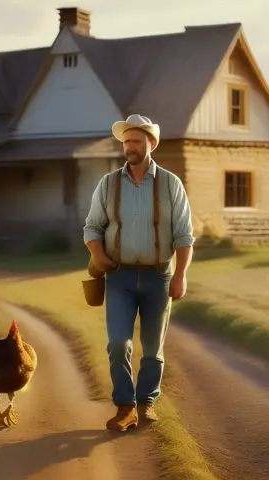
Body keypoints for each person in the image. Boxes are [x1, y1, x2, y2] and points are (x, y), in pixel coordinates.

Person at [83, 114, 195, 432]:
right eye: (126, 142)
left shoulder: (170, 184)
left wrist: (181, 275)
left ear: (151, 144)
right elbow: (92, 227)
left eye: (136, 141)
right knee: (118, 343)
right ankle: (124, 407)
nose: (129, 147)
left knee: (152, 346)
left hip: (159, 277)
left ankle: (146, 403)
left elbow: (184, 235)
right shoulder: (108, 184)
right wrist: (99, 255)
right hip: (119, 277)